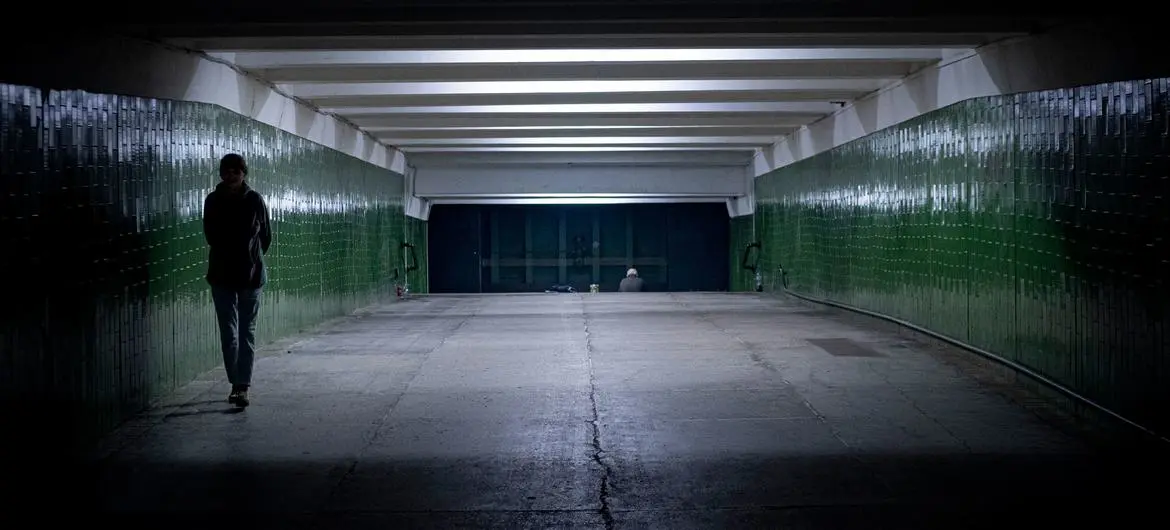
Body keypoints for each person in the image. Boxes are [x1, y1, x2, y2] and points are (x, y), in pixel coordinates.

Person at [203, 153, 272, 408]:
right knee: (228, 333)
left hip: (250, 276)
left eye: (236, 171)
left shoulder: (254, 200)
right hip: (222, 275)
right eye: (226, 171)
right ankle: (236, 381)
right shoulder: (212, 201)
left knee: (246, 332)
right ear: (221, 174)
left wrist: (249, 257)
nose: (231, 176)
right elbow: (210, 235)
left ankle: (241, 386)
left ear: (244, 173)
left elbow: (266, 236)